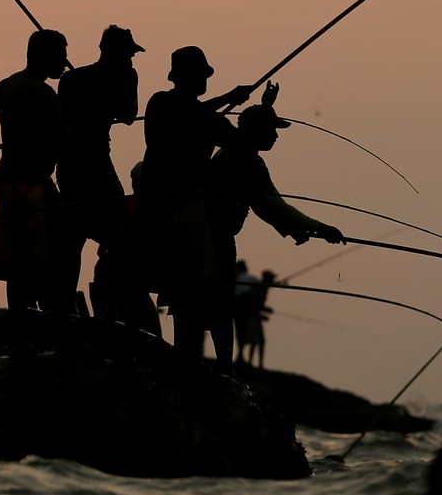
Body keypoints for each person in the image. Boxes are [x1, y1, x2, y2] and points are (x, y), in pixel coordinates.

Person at [133, 45, 253, 371]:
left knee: (188, 299)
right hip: (180, 217)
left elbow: (226, 134)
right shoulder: (167, 105)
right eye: (201, 75)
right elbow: (194, 119)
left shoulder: (184, 111)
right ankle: (191, 369)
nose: (205, 81)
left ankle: (186, 367)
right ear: (187, 77)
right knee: (190, 299)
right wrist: (233, 100)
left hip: (172, 216)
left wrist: (240, 108)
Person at [56, 25, 159, 335]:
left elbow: (63, 120)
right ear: (114, 52)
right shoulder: (125, 77)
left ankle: (65, 311)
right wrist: (110, 94)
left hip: (69, 165)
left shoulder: (72, 79)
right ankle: (109, 311)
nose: (132, 58)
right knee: (118, 237)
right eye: (129, 53)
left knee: (73, 240)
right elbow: (128, 115)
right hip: (95, 163)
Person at [0, 29, 69, 313]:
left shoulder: (9, 84)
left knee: (20, 259)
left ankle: (25, 320)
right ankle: (37, 321)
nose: (66, 61)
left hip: (9, 180)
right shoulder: (44, 94)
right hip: (29, 185)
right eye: (61, 55)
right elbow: (63, 139)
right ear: (47, 57)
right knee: (43, 257)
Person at [207, 82, 345, 281]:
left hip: (217, 237)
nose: (276, 135)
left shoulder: (244, 159)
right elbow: (274, 205)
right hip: (211, 241)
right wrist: (321, 228)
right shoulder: (240, 162)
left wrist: (290, 229)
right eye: (271, 129)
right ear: (258, 131)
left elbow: (262, 206)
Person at [235, 268, 276, 369]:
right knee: (256, 340)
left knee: (257, 341)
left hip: (254, 316)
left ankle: (255, 363)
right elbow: (254, 304)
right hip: (251, 317)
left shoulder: (262, 288)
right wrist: (265, 310)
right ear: (267, 279)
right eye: (271, 279)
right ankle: (252, 363)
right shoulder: (259, 288)